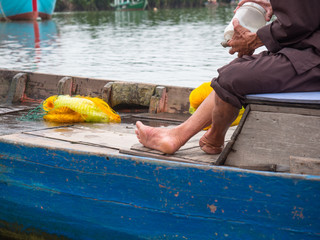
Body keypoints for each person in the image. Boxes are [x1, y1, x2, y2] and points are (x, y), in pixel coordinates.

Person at [135, 0, 320, 155]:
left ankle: (214, 139)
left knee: (233, 77)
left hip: (313, 57)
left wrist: (256, 39)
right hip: (307, 50)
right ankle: (178, 134)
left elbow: (299, 22)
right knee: (236, 69)